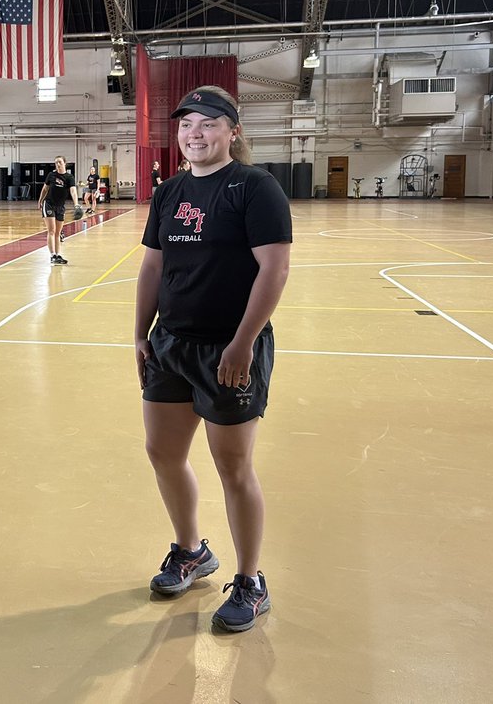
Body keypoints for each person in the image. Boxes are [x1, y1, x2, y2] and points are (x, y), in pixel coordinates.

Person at [134, 85, 292, 634]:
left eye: (206, 124)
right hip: (171, 344)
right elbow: (153, 268)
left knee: (233, 466)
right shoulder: (170, 192)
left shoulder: (255, 188)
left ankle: (251, 581)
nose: (193, 134)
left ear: (232, 131)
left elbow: (273, 270)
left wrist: (243, 343)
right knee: (162, 452)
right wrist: (139, 334)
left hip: (229, 348)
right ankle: (191, 550)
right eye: (185, 126)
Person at [37, 155, 80, 265]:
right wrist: (40, 200)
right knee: (51, 231)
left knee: (58, 232)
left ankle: (58, 255)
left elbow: (73, 191)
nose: (58, 164)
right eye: (56, 163)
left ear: (65, 163)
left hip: (60, 207)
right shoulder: (51, 175)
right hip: (49, 204)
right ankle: (52, 256)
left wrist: (76, 204)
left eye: (60, 162)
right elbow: (45, 189)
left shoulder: (69, 177)